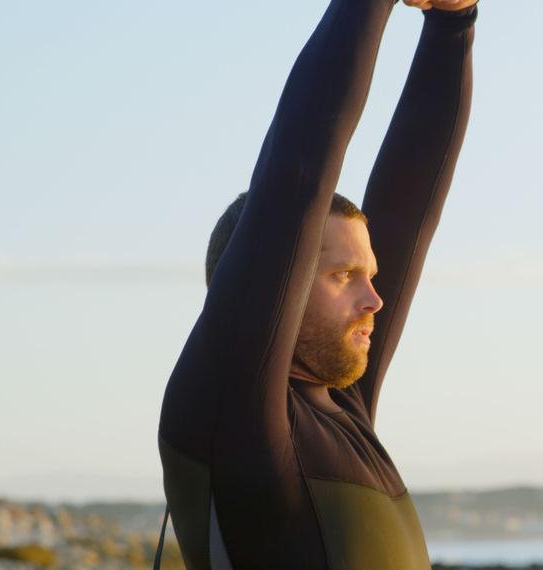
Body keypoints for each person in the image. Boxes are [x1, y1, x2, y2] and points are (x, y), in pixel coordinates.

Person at [158, 0, 477, 566]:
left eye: (370, 275)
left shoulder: (345, 406)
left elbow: (414, 195)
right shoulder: (236, 418)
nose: (375, 300)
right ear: (265, 284)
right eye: (343, 276)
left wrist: (453, 23)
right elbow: (301, 165)